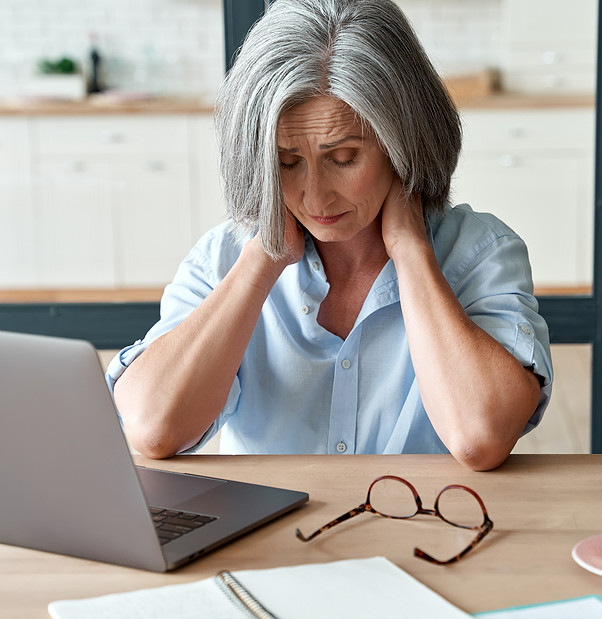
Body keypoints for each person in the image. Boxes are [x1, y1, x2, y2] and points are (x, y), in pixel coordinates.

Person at [106, 0, 553, 471]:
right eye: (286, 163)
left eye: (343, 159)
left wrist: (412, 252)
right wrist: (262, 260)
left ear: (403, 142)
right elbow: (153, 429)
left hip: (424, 534)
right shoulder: (222, 260)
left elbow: (480, 438)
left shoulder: (478, 253)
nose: (315, 197)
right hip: (269, 542)